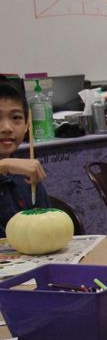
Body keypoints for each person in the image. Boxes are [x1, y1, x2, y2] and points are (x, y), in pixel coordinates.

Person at [0, 80, 49, 236]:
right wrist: (3, 165)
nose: (7, 128)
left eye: (16, 117)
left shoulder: (26, 177)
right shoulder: (11, 167)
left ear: (27, 124)